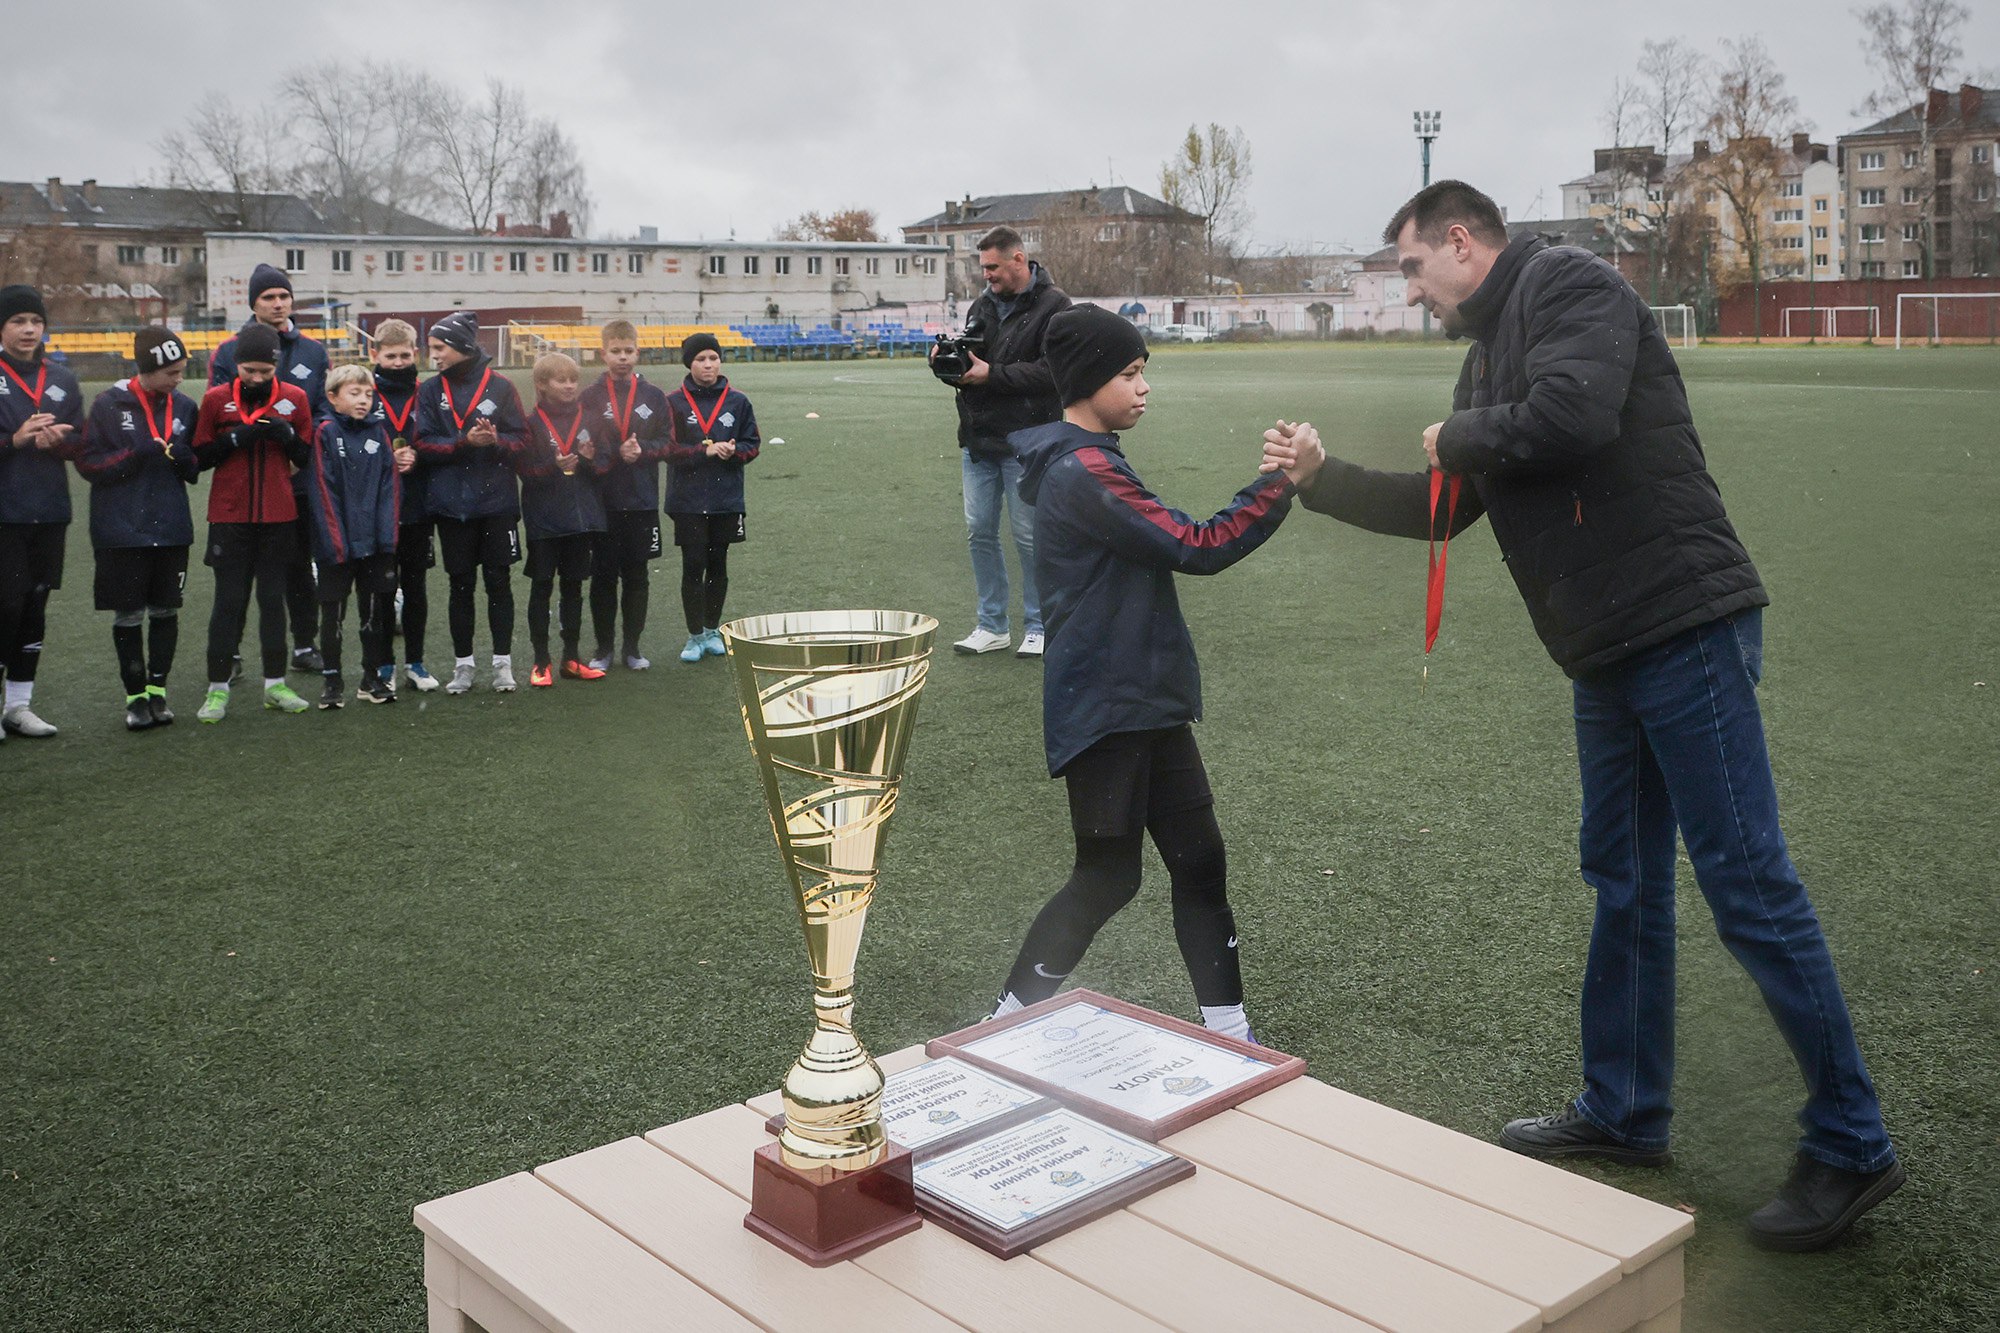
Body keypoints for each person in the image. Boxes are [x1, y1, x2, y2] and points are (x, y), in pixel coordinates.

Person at [1261, 180, 1902, 1252]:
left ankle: (1852, 1140)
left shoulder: (1569, 284)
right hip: (1605, 649)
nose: (1412, 292)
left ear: (1459, 241)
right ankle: (1626, 1109)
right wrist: (1322, 481)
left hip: (1681, 625)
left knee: (1747, 882)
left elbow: (1572, 417)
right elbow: (1448, 504)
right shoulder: (1486, 354)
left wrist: (1460, 432)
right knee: (1622, 875)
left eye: (1412, 268)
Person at [990, 306, 1295, 1043]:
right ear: (1088, 378)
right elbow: (1198, 544)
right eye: (1129, 373)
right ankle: (1003, 1022)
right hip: (1107, 702)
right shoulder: (1084, 471)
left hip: (1146, 697)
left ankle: (1230, 1032)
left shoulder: (1093, 458)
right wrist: (1279, 482)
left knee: (1200, 861)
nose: (1143, 386)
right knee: (1106, 875)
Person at [935, 226, 1069, 659]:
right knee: (979, 533)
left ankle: (1039, 625)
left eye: (992, 267)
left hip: (1027, 442)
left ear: (1018, 259)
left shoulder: (1056, 307)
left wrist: (992, 374)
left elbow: (1053, 372)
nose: (987, 275)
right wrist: (948, 364)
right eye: (984, 268)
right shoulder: (982, 304)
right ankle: (992, 625)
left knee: (1029, 537)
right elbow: (975, 361)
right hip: (979, 440)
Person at [77, 329, 200, 730]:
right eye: (171, 373)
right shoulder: (108, 404)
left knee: (166, 610)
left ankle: (158, 692)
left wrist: (186, 459)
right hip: (121, 530)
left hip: (171, 526)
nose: (179, 379)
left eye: (182, 371)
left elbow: (194, 469)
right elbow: (88, 465)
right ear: (147, 369)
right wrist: (134, 455)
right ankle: (135, 699)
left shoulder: (185, 407)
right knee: (129, 614)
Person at [209, 262, 329, 675]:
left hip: (297, 477)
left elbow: (324, 409)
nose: (278, 304)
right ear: (253, 304)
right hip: (246, 480)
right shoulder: (228, 351)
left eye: (284, 296)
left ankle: (305, 645)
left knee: (298, 567)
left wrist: (300, 449)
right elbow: (218, 408)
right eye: (268, 297)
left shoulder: (313, 351)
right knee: (239, 577)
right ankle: (233, 653)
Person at [191, 321, 315, 721]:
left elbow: (306, 457)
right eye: (249, 371)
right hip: (229, 515)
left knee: (272, 601)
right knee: (228, 601)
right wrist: (233, 439)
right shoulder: (215, 400)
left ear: (277, 366)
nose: (257, 378)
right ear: (236, 365)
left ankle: (275, 685)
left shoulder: (294, 398)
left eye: (265, 370)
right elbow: (199, 458)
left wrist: (286, 437)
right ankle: (217, 690)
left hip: (278, 516)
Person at [412, 310, 527, 694]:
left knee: (498, 582)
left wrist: (496, 441)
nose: (433, 355)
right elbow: (422, 443)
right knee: (460, 584)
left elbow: (523, 440)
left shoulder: (501, 386)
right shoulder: (430, 390)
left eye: (439, 347)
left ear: (461, 347)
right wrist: (464, 443)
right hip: (452, 506)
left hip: (496, 504)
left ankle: (502, 664)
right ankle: (463, 666)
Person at [0, 284, 83, 739]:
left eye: (36, 321)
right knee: (7, 605)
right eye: (18, 321)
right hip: (5, 512)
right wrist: (14, 440)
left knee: (35, 604)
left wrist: (61, 443)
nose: (29, 329)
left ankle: (19, 705)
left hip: (49, 509)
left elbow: (81, 442)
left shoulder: (63, 379)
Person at [308, 365, 402, 708]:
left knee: (373, 615)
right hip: (337, 546)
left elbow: (390, 488)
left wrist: (386, 538)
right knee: (333, 615)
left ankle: (370, 678)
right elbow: (323, 489)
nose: (363, 400)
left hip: (374, 544)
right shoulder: (325, 433)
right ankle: (332, 681)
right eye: (354, 393)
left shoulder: (379, 433)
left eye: (368, 394)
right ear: (333, 398)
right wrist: (336, 542)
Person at [513, 353, 609, 686]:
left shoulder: (591, 419)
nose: (569, 386)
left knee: (573, 589)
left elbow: (605, 466)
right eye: (561, 380)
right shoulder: (531, 423)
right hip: (544, 521)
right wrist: (554, 467)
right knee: (541, 587)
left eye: (573, 380)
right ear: (542, 384)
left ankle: (571, 658)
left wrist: (590, 461)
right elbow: (525, 471)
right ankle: (541, 662)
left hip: (580, 520)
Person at [663, 333, 758, 664]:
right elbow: (667, 449)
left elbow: (752, 444)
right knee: (693, 565)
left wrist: (734, 451)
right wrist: (703, 451)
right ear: (689, 363)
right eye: (701, 359)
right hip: (688, 501)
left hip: (725, 499)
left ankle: (711, 629)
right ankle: (694, 636)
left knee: (718, 565)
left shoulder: (738, 402)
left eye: (713, 358)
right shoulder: (673, 402)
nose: (708, 365)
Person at [581, 319, 669, 671]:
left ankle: (632, 648)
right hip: (601, 502)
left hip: (640, 501)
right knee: (603, 576)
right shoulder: (590, 396)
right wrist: (601, 454)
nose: (622, 357)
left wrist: (642, 449)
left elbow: (667, 442)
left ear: (637, 353)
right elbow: (581, 437)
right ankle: (603, 649)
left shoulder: (654, 396)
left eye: (628, 351)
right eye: (615, 351)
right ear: (603, 354)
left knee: (637, 575)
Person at [370, 319, 440, 693]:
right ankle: (383, 665)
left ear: (416, 353)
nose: (398, 363)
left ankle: (416, 662)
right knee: (382, 589)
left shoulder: (428, 393)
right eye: (390, 356)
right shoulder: (364, 392)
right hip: (377, 509)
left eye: (404, 356)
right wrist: (388, 459)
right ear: (375, 354)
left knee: (416, 586)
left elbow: (441, 440)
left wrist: (419, 456)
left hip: (417, 507)